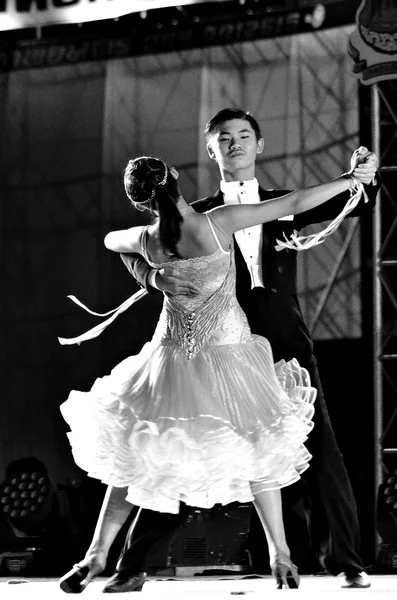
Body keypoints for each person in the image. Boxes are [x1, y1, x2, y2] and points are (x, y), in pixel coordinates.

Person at [91, 109, 379, 594]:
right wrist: (150, 277)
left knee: (318, 447)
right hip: (223, 343)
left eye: (245, 136)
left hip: (284, 338)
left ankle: (347, 561)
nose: (236, 143)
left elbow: (344, 202)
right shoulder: (197, 214)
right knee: (183, 443)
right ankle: (131, 563)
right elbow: (137, 251)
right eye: (224, 138)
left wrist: (360, 177)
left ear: (259, 145)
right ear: (210, 151)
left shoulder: (275, 203)